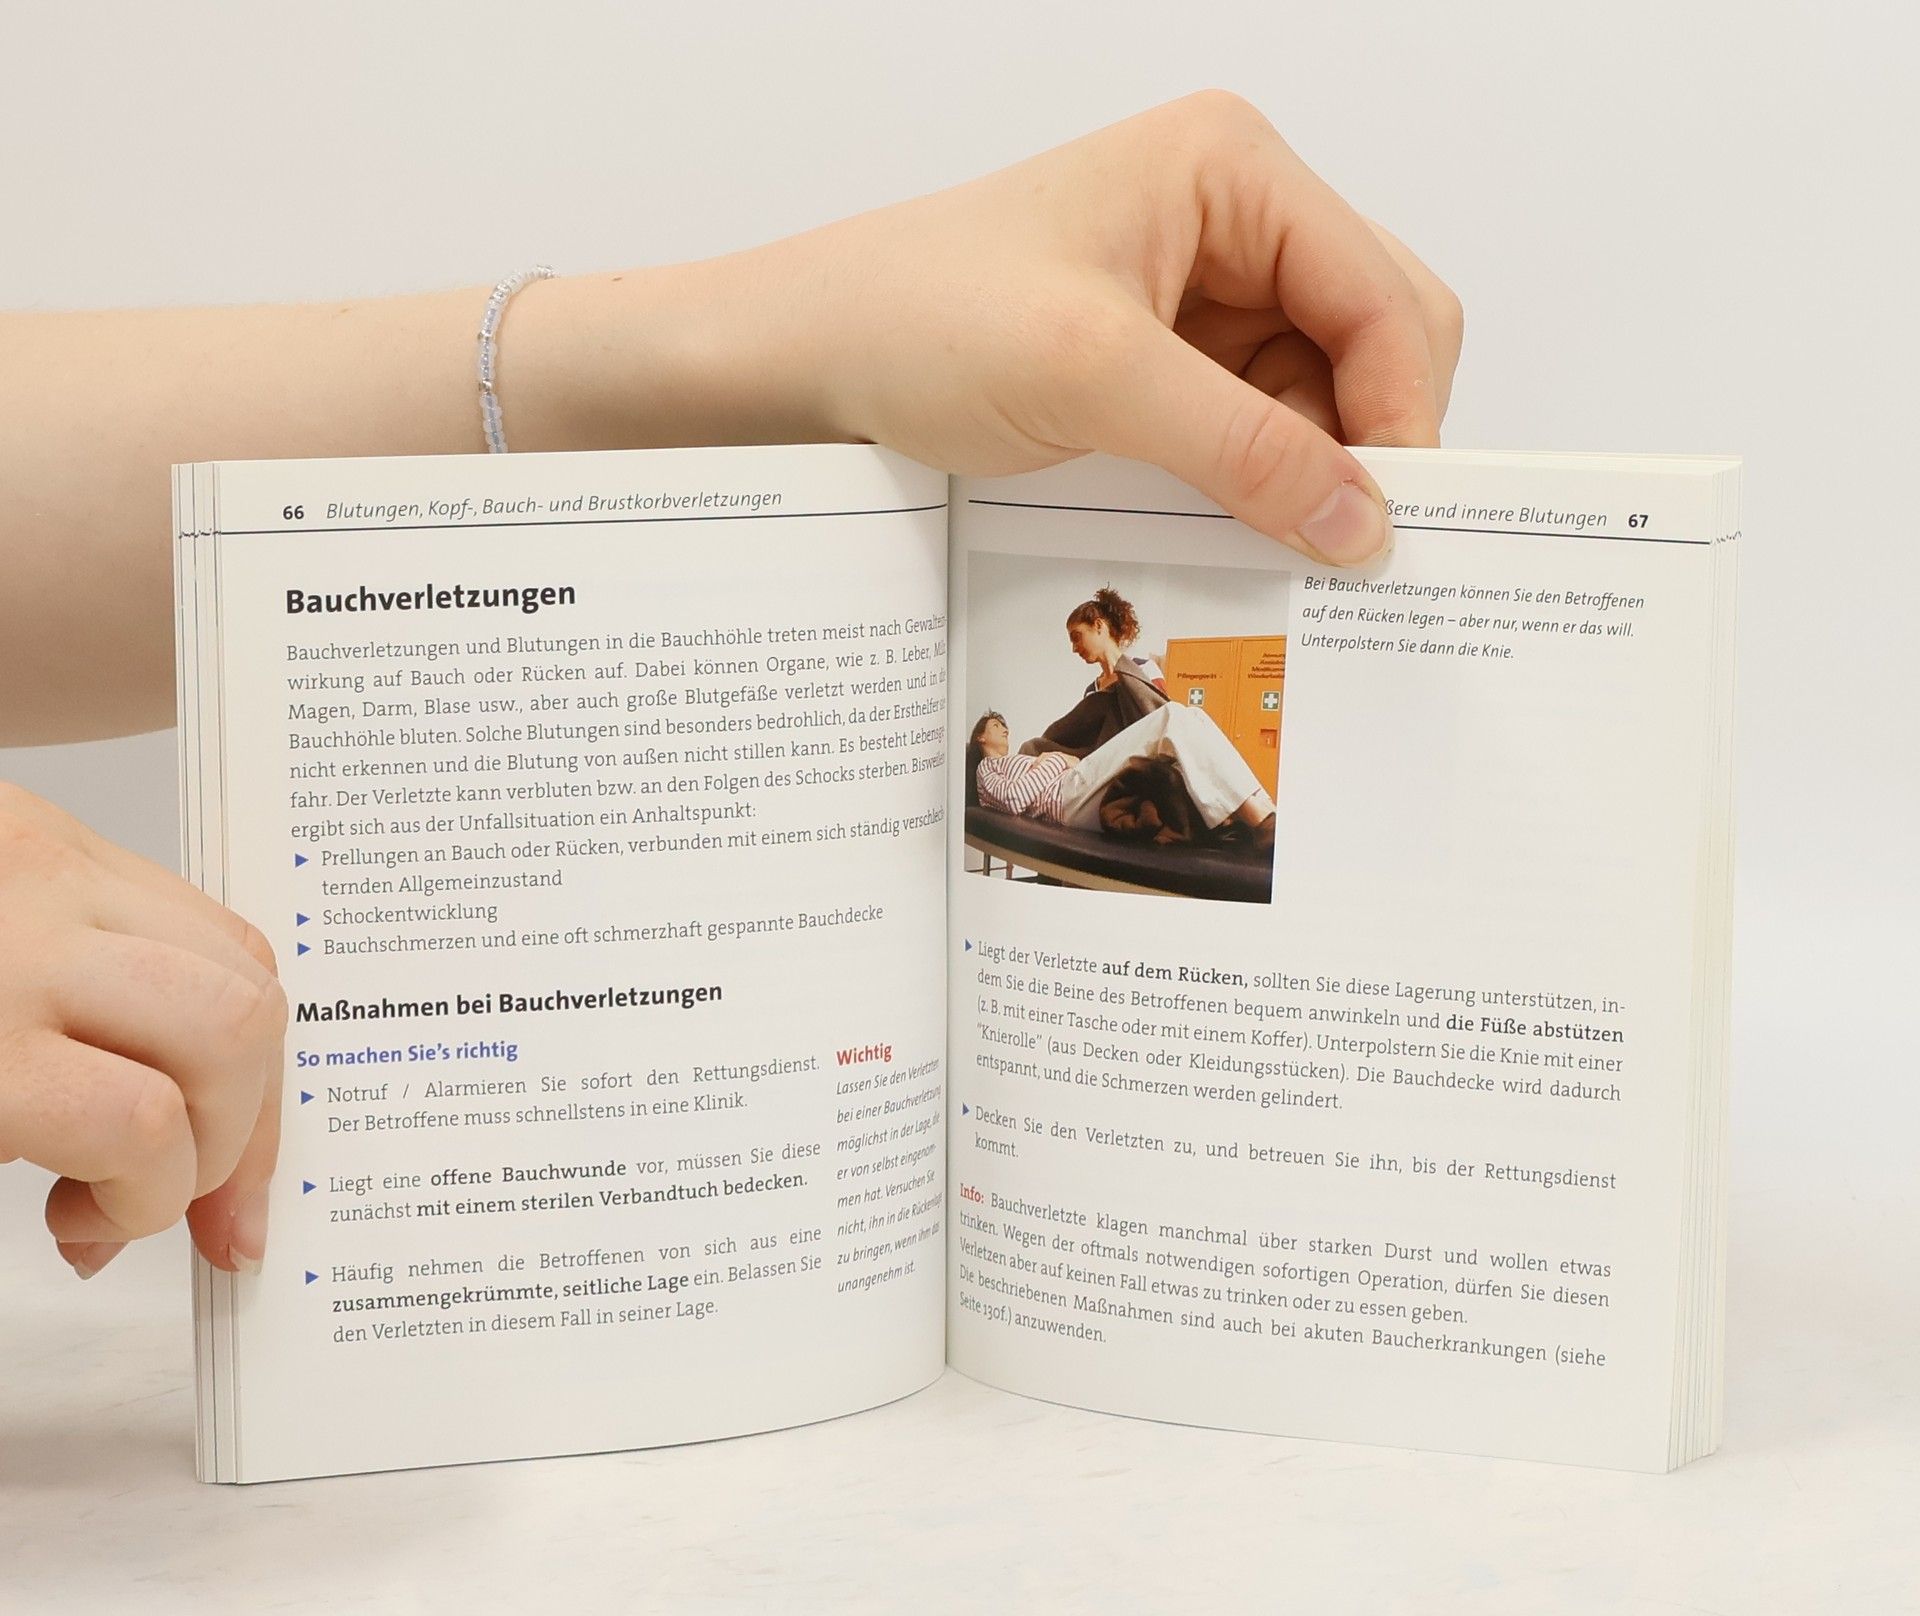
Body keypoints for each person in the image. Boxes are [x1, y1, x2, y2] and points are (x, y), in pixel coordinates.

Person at [0, 91, 1461, 1281]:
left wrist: (757, 339)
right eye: (1076, 652)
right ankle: (1243, 820)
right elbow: (1050, 756)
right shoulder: (1038, 737)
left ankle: (1246, 821)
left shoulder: (1103, 691)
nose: (1078, 662)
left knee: (1183, 725)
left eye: (1089, 645)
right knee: (1178, 729)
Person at [969, 707, 1276, 846]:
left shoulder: (1019, 757)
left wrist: (1055, 760)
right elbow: (1014, 799)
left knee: (1192, 716)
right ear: (980, 738)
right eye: (996, 726)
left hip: (1073, 788)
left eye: (1004, 725)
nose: (1004, 729)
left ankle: (1260, 810)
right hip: (1065, 798)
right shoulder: (987, 769)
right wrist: (1054, 760)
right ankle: (1261, 819)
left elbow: (1056, 769)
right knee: (1171, 716)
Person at [1021, 587, 1169, 758]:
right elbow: (1090, 744)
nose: (1074, 648)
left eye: (1076, 637)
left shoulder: (1144, 668)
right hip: (1099, 760)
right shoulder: (1092, 690)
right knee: (1032, 748)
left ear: (1098, 626)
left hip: (1137, 755)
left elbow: (1161, 717)